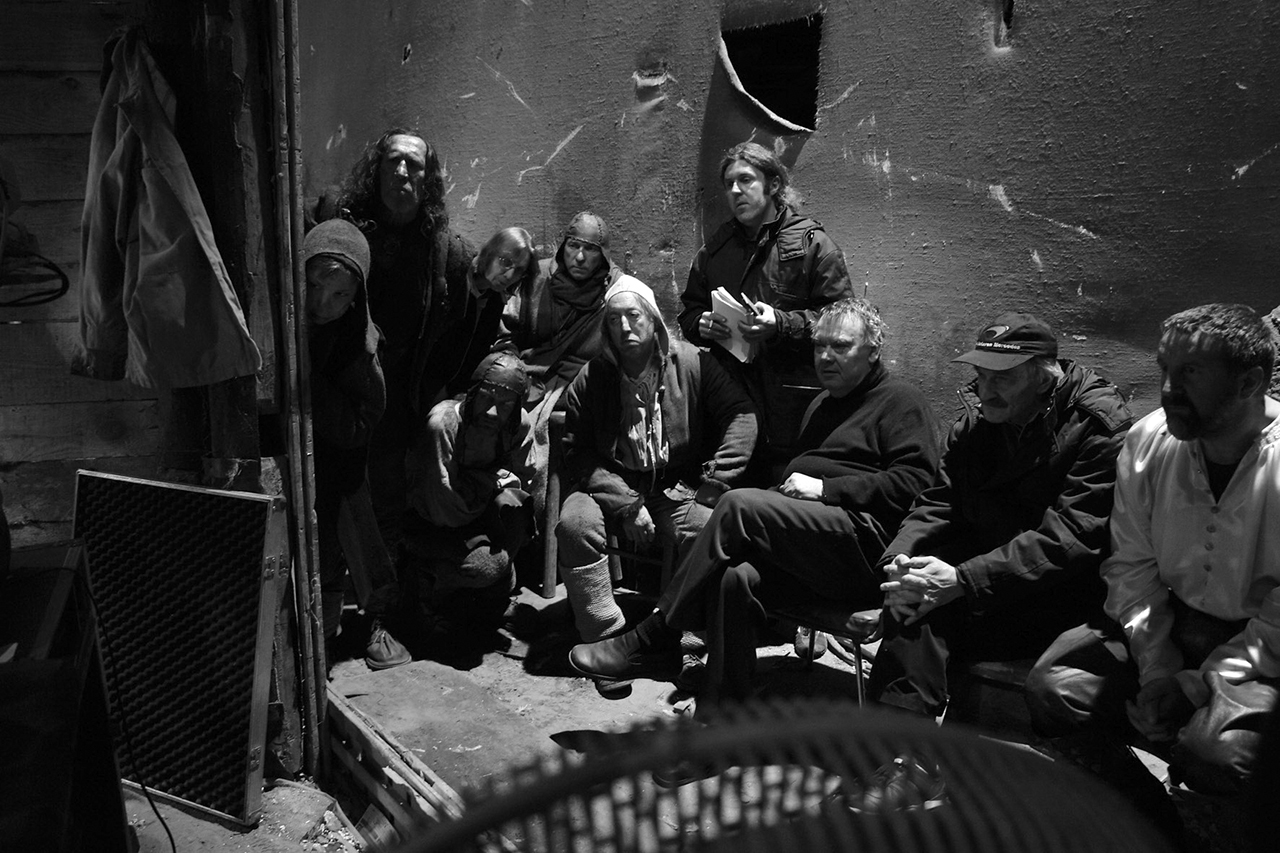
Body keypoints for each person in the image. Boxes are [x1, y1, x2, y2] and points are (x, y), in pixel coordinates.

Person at [569, 297, 940, 711]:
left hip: (864, 551)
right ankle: (723, 711)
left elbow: (916, 483)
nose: (825, 357)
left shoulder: (901, 401)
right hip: (816, 548)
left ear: (872, 351)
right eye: (819, 346)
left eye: (840, 346)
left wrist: (825, 489)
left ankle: (653, 636)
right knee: (735, 578)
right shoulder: (822, 404)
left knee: (737, 504)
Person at [1026, 303, 1280, 826]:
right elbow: (1132, 565)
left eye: (1190, 373)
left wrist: (1195, 684)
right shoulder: (1149, 440)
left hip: (1263, 649)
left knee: (1217, 752)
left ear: (1249, 383)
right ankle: (1150, 825)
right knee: (1057, 687)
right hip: (1169, 621)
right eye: (1165, 369)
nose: (1168, 389)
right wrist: (1159, 668)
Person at [867, 312, 1134, 718]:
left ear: (1043, 379)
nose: (985, 391)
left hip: (1056, 592)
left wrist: (963, 580)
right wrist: (899, 561)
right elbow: (939, 500)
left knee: (928, 605)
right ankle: (898, 746)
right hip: (986, 578)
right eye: (981, 376)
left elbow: (1070, 539)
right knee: (913, 597)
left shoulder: (1096, 429)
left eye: (1002, 379)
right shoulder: (978, 424)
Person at [555, 276, 758, 656]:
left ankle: (691, 643)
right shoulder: (592, 376)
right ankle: (602, 638)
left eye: (633, 316)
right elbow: (578, 450)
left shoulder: (694, 363)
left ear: (653, 319)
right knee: (574, 525)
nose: (624, 327)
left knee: (708, 531)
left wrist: (716, 483)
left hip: (675, 485)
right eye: (613, 320)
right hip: (609, 485)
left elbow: (741, 415)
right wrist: (626, 504)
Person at [328, 129, 477, 557]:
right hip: (344, 380)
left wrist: (434, 387)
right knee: (335, 484)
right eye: (393, 160)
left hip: (397, 392)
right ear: (377, 170)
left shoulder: (446, 252)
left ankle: (384, 582)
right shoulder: (346, 229)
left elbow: (460, 328)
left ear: (427, 178)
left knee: (389, 490)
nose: (401, 171)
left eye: (413, 164)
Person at [679, 141, 854, 482]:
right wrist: (701, 323)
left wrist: (782, 323)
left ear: (773, 185)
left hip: (791, 403)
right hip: (730, 401)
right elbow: (689, 311)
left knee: (785, 489)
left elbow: (845, 322)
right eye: (729, 183)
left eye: (745, 180)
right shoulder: (715, 250)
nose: (735, 191)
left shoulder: (813, 245)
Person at [302, 218, 409, 670]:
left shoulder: (362, 351)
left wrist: (310, 385)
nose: (321, 303)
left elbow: (358, 425)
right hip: (291, 470)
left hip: (335, 474)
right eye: (313, 286)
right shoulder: (279, 326)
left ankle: (321, 656)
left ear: (355, 299)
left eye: (339, 295)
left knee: (328, 562)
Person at [491, 212, 622, 517]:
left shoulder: (614, 291)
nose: (579, 257)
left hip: (574, 385)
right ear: (563, 246)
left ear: (603, 256)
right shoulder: (537, 278)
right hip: (525, 373)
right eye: (574, 246)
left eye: (590, 250)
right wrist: (512, 367)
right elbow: (505, 332)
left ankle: (544, 517)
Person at [404, 352, 534, 645]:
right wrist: (491, 483)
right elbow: (443, 507)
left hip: (477, 510)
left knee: (517, 509)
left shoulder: (518, 425)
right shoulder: (444, 424)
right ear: (474, 393)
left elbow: (522, 479)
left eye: (505, 404)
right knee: (484, 566)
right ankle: (423, 587)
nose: (492, 412)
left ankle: (495, 596)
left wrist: (494, 496)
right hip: (434, 523)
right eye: (486, 398)